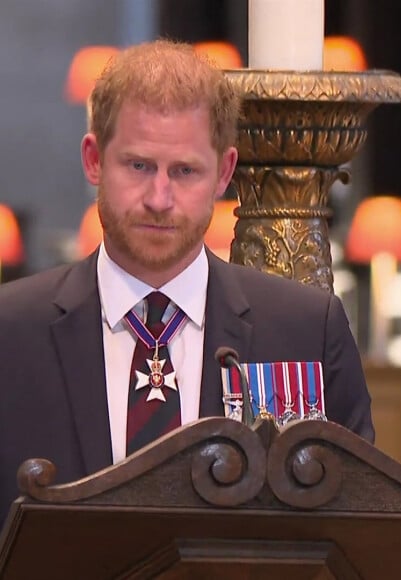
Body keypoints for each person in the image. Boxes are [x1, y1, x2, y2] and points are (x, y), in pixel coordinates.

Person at [0, 39, 373, 526]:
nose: (159, 198)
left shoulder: (306, 328)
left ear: (224, 173)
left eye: (184, 172)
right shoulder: (11, 331)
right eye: (139, 166)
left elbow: (358, 520)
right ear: (94, 160)